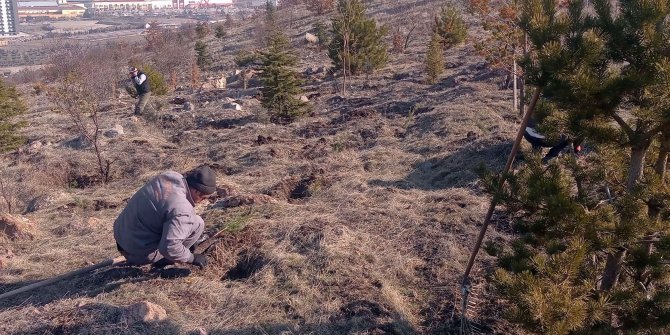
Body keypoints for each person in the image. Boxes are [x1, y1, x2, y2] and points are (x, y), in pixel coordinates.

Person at [114, 166, 217, 268]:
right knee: (198, 223)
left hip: (121, 236)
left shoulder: (168, 177)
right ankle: (165, 262)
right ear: (196, 191)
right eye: (203, 197)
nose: (202, 201)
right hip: (138, 252)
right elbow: (169, 248)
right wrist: (191, 258)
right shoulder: (182, 209)